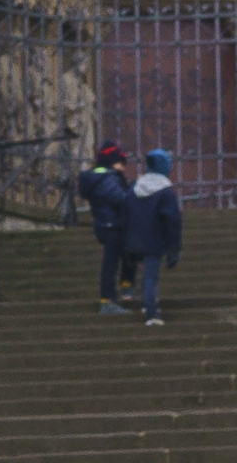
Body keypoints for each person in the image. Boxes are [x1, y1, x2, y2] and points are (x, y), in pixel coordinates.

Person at [114, 139, 182, 326]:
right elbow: (172, 221)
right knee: (151, 277)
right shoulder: (166, 192)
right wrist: (174, 248)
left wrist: (125, 240)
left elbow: (124, 214)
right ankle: (151, 313)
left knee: (144, 273)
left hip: (134, 241)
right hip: (154, 241)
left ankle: (141, 300)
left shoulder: (134, 188)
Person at [73, 138, 136, 311]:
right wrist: (134, 189)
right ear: (113, 162)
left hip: (106, 224)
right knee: (111, 263)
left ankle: (123, 288)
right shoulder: (107, 179)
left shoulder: (98, 177)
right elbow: (121, 199)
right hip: (112, 225)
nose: (124, 167)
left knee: (120, 257)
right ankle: (108, 300)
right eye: (121, 163)